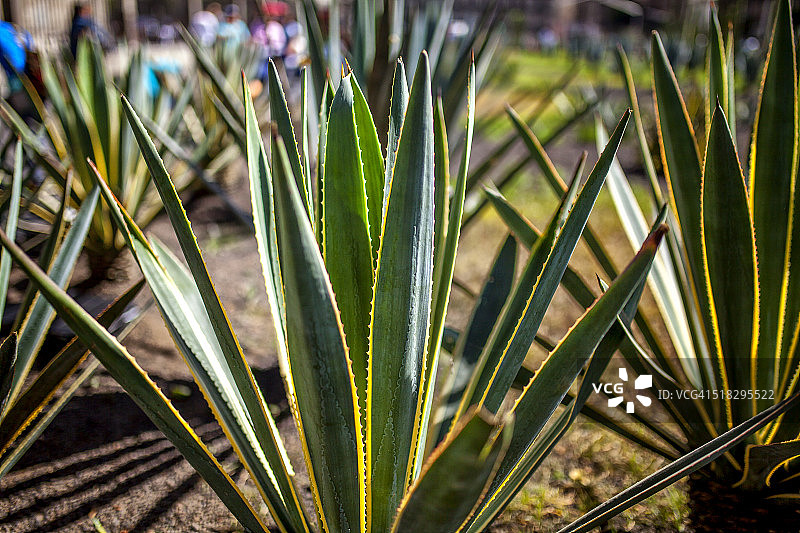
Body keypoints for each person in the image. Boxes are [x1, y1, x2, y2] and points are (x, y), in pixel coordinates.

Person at [0, 20, 36, 121]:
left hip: (15, 71)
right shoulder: (9, 27)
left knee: (22, 108)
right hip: (26, 69)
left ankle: (26, 122)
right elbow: (28, 39)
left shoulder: (2, 30)